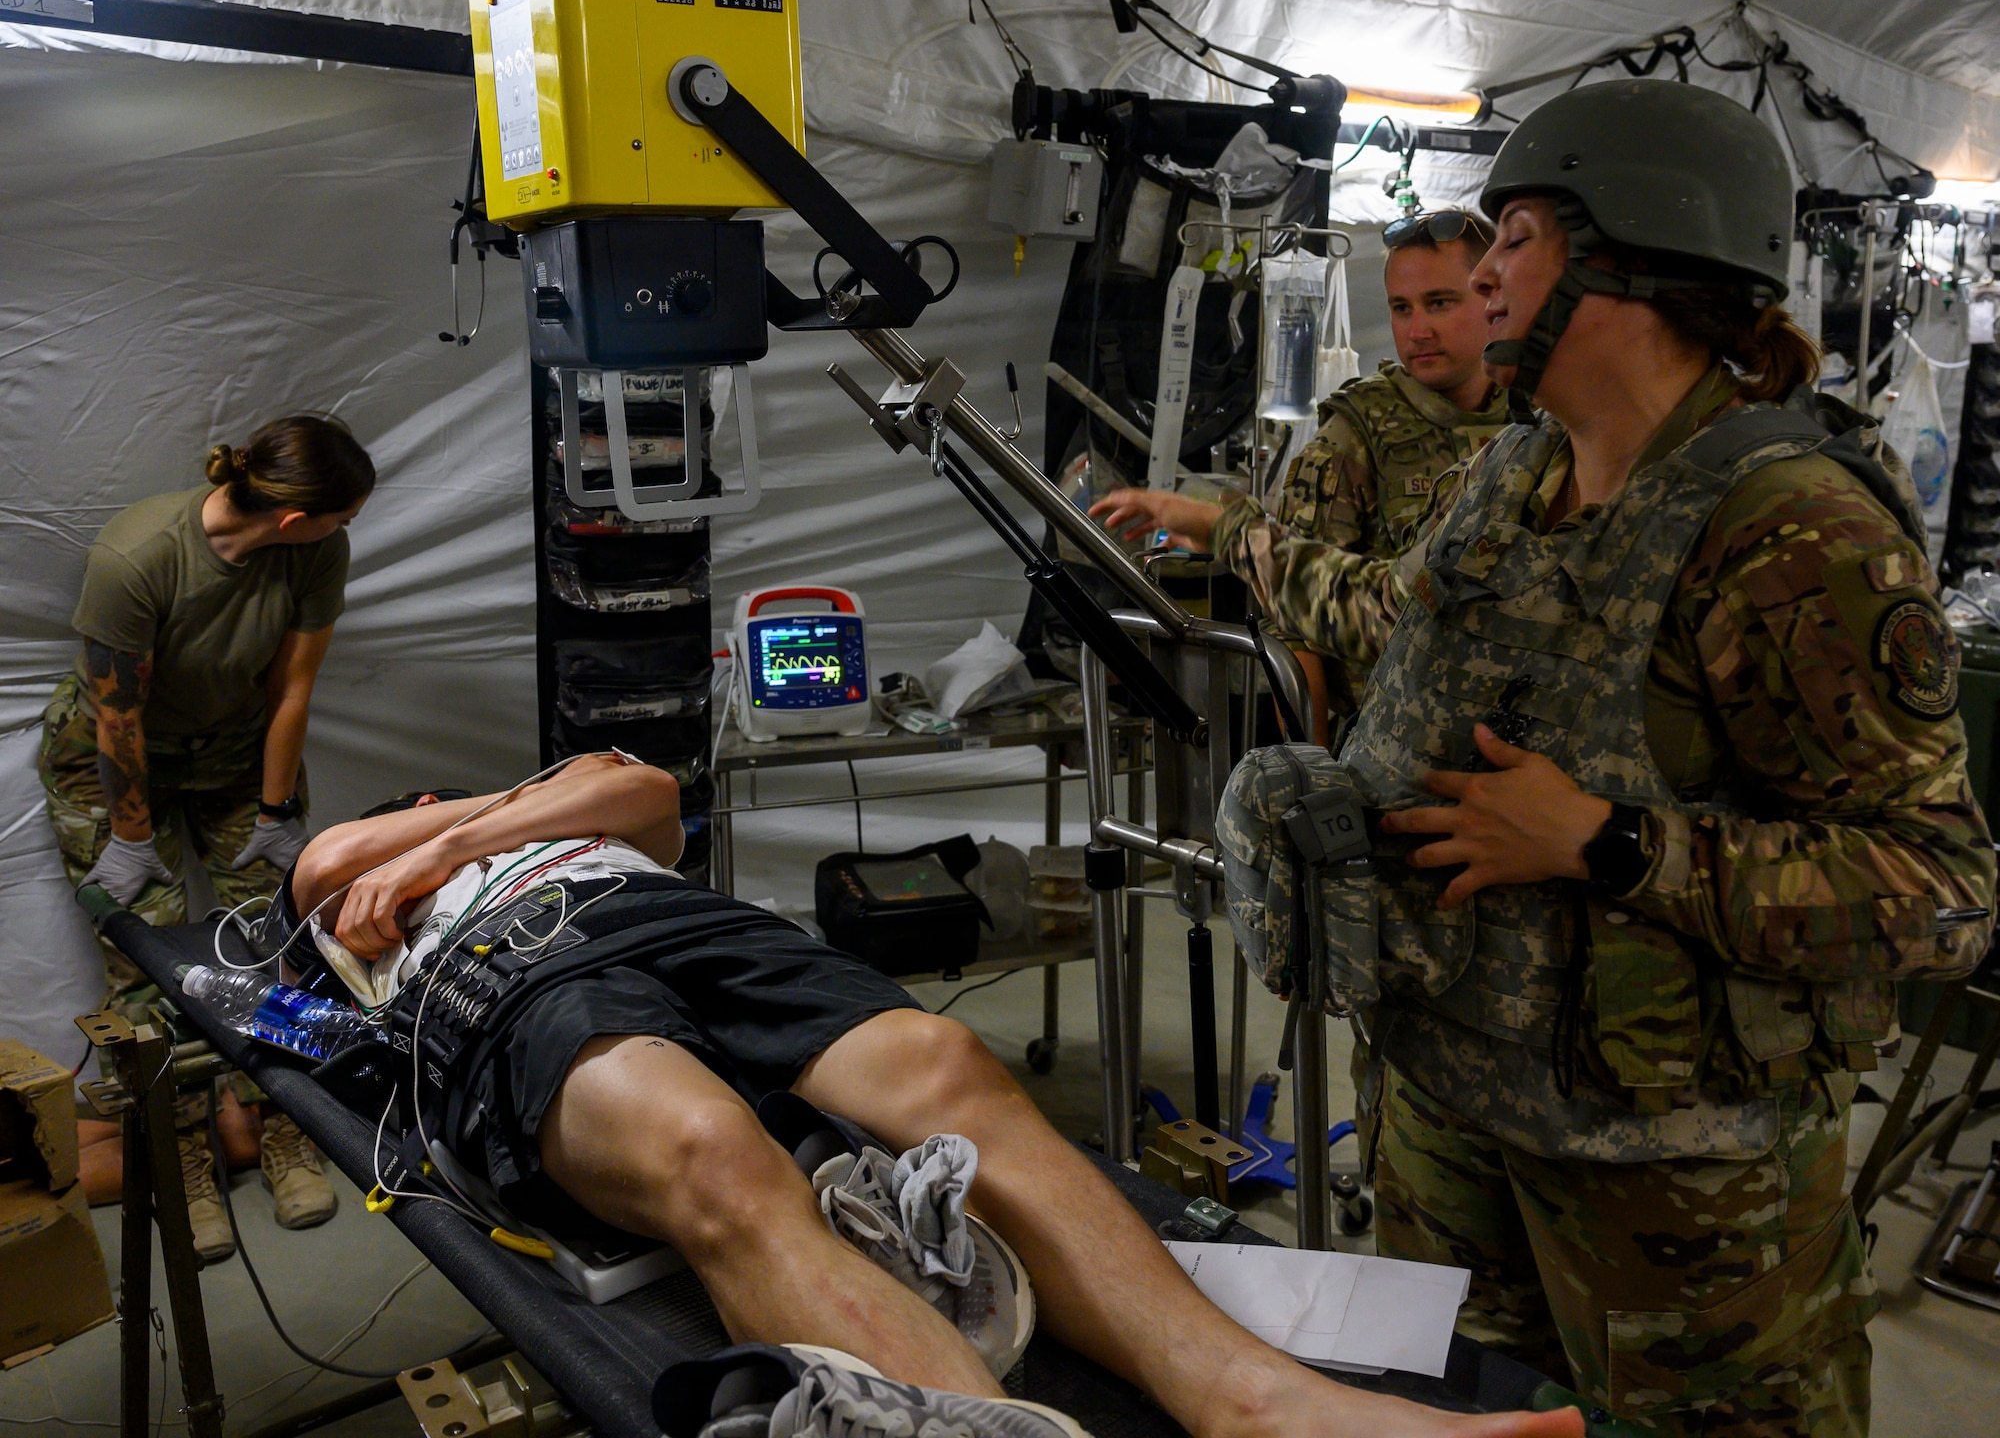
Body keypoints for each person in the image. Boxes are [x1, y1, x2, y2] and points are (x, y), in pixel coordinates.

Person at [1186, 80, 1998, 1435]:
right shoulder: (1513, 474)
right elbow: (1392, 629)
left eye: (1514, 238)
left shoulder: (1790, 526)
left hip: (1674, 1186)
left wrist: (1606, 843)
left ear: (1632, 255)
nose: (1482, 274)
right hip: (1450, 1115)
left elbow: (1944, 894)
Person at [271, 751, 1583, 1438]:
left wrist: (469, 823)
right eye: (430, 811)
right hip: (516, 972)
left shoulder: (516, 817)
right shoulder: (369, 850)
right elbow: (336, 870)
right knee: (716, 1160)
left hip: (663, 918)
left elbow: (648, 794)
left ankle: (1255, 1399)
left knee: (949, 1069)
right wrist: (489, 827)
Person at [42, 414, 374, 1256]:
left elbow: (292, 688)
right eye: (343, 515)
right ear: (295, 517)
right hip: (119, 758)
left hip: (235, 745)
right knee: (148, 959)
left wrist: (273, 816)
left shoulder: (314, 551)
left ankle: (282, 1127)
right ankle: (183, 1152)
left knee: (268, 946)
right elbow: (117, 716)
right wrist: (130, 837)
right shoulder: (137, 558)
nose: (349, 530)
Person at [1089, 210, 1508, 740]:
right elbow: (1294, 633)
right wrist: (1312, 771)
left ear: (1494, 297)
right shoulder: (1359, 432)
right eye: (1401, 308)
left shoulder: (1538, 425)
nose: (1417, 330)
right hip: (1391, 742)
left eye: (1440, 303)